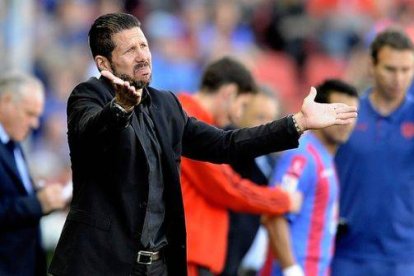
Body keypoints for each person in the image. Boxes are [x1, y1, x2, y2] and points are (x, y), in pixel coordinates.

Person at [48, 12, 357, 276]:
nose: (142, 55)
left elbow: (226, 145)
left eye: (144, 44)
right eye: (130, 50)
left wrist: (297, 123)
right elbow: (91, 136)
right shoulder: (87, 96)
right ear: (104, 62)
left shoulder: (166, 105)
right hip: (100, 265)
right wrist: (120, 108)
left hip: (156, 266)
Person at [178, 59, 299, 276]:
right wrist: (282, 200)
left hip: (195, 255)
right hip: (188, 257)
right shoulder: (185, 121)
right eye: (243, 106)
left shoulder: (189, 119)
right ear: (228, 93)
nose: (237, 116)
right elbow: (226, 186)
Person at [331, 29, 414, 276]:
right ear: (372, 66)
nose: (398, 78)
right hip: (347, 253)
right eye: (390, 69)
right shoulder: (345, 115)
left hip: (404, 256)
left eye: (406, 70)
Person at [261, 79, 359, 276]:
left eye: (351, 114)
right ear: (320, 112)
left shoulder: (325, 157)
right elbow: (274, 213)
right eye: (338, 112)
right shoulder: (302, 156)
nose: (345, 121)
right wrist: (291, 269)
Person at [0, 72, 69, 276]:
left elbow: (12, 195)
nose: (35, 124)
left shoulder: (12, 143)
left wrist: (43, 195)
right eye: (29, 114)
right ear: (6, 101)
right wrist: (37, 203)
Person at [220, 86, 283, 276]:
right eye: (260, 117)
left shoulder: (273, 162)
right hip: (225, 262)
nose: (268, 126)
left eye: (272, 119)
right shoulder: (226, 154)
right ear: (240, 114)